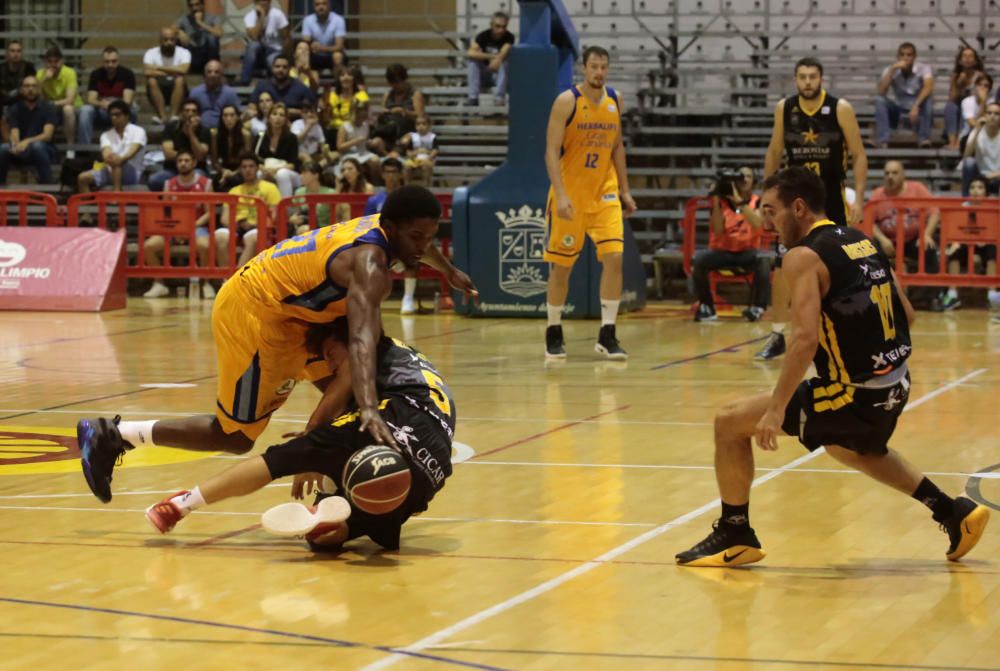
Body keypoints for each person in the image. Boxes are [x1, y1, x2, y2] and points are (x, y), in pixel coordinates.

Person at [76, 184, 477, 505]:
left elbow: (421, 248)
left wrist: (450, 271)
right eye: (416, 237)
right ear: (390, 227)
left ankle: (334, 493)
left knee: (350, 409)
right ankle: (115, 434)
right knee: (234, 437)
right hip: (256, 311)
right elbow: (360, 341)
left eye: (430, 237)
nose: (423, 246)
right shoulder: (369, 264)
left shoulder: (390, 229)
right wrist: (370, 408)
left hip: (298, 317)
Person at [674, 166, 990, 568]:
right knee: (851, 447)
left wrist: (775, 409)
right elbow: (907, 314)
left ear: (799, 207)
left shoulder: (803, 256)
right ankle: (953, 512)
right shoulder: (860, 239)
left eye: (772, 210)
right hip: (895, 383)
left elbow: (804, 340)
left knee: (729, 422)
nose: (767, 222)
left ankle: (734, 532)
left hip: (853, 391)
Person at [144, 316, 455, 553]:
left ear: (349, 339)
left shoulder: (366, 345)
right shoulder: (401, 355)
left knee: (288, 456)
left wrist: (311, 439)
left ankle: (182, 504)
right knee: (326, 541)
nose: (330, 364)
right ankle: (332, 513)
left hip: (404, 420)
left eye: (330, 353)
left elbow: (341, 386)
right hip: (433, 470)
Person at [757, 56, 868, 360]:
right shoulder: (785, 108)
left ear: (821, 79)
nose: (807, 82)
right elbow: (775, 150)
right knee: (783, 265)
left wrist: (858, 197)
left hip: (830, 197)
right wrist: (767, 197)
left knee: (837, 265)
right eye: (802, 77)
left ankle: (842, 332)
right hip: (794, 201)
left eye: (812, 77)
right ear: (795, 79)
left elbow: (858, 154)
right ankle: (778, 334)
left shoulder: (840, 108)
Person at [543, 45, 637, 360]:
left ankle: (607, 333)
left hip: (605, 193)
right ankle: (553, 329)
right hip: (570, 195)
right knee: (562, 268)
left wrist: (625, 189)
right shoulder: (566, 102)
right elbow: (550, 152)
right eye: (594, 66)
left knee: (614, 257)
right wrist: (561, 194)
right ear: (583, 68)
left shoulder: (615, 100)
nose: (599, 72)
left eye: (603, 67)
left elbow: (617, 147)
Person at [867, 160, 949, 311]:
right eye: (887, 173)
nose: (890, 177)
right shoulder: (878, 194)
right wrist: (882, 239)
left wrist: (926, 234)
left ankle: (930, 298)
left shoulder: (917, 188)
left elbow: (935, 212)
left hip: (913, 240)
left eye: (894, 173)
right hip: (889, 243)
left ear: (903, 175)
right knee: (870, 252)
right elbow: (869, 221)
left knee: (930, 251)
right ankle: (877, 297)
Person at [693, 167, 771, 322]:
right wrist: (715, 200)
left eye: (748, 176)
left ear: (754, 182)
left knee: (763, 259)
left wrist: (740, 202)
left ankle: (758, 307)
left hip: (747, 252)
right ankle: (707, 307)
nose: (744, 180)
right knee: (699, 259)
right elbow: (718, 230)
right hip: (724, 252)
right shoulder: (722, 202)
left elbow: (757, 224)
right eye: (741, 176)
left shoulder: (758, 201)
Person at [142, 149, 223, 299]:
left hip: (197, 227)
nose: (183, 164)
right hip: (174, 228)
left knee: (205, 246)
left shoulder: (206, 183)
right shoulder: (169, 184)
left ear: (193, 163)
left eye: (186, 161)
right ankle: (159, 284)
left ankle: (206, 283)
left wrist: (190, 227)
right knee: (148, 246)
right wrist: (177, 228)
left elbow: (209, 213)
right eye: (180, 161)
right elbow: (165, 212)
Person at [363, 157, 413, 313]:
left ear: (400, 175)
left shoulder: (408, 198)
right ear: (382, 175)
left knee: (414, 254)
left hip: (402, 243)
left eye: (394, 172)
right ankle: (371, 298)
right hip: (381, 243)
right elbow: (368, 226)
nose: (390, 176)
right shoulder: (374, 200)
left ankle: (408, 298)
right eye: (387, 172)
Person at [223, 152, 283, 266]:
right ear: (240, 170)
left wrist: (256, 224)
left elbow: (274, 215)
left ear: (257, 168)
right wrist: (238, 224)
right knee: (219, 236)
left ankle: (237, 279)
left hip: (260, 228)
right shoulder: (234, 191)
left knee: (254, 237)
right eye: (244, 167)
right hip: (237, 228)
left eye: (251, 166)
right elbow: (224, 218)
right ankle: (225, 279)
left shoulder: (270, 188)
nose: (248, 170)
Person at [77, 99, 147, 194]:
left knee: (118, 163)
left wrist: (119, 159)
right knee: (83, 178)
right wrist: (113, 158)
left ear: (126, 116)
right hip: (109, 170)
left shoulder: (138, 131)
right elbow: (106, 155)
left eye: (117, 115)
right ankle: (88, 204)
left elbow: (132, 152)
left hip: (132, 172)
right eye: (111, 115)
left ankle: (116, 194)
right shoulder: (105, 135)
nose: (114, 118)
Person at [874, 42, 934, 148]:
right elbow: (882, 92)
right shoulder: (891, 69)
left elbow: (928, 87)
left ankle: (924, 139)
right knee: (879, 100)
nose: (905, 58)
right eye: (902, 55)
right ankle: (883, 140)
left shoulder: (924, 68)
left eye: (909, 55)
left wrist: (916, 106)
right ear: (897, 57)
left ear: (914, 57)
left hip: (918, 109)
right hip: (899, 109)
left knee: (928, 100)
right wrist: (892, 70)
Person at [0, 75, 58, 183]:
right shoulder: (14, 109)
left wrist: (27, 141)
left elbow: (47, 135)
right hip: (22, 150)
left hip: (45, 149)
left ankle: (48, 187)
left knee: (37, 146)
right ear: (21, 90)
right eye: (27, 86)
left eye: (34, 86)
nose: (30, 89)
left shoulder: (48, 108)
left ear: (39, 90)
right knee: (3, 148)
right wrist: (15, 145)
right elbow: (14, 131)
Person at [78, 46, 138, 145]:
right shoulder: (96, 74)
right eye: (107, 61)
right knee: (85, 110)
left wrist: (112, 105)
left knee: (133, 109)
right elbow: (91, 99)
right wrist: (101, 104)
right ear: (103, 62)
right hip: (102, 110)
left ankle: (131, 143)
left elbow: (127, 101)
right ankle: (84, 148)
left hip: (121, 110)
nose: (110, 64)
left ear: (118, 61)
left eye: (113, 61)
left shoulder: (127, 74)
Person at [148, 97, 211, 192]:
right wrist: (186, 160)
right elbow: (168, 154)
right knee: (154, 181)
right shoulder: (171, 127)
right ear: (181, 113)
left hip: (196, 170)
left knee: (201, 179)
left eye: (194, 111)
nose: (190, 114)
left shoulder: (204, 131)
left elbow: (200, 156)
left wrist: (191, 133)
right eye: (187, 110)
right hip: (173, 170)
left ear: (199, 114)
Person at [143, 27, 192, 124]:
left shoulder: (184, 52)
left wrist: (157, 67)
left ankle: (174, 116)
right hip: (158, 86)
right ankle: (162, 117)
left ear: (175, 40)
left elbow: (184, 70)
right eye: (166, 40)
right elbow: (147, 72)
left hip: (178, 87)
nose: (169, 42)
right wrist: (174, 71)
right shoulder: (150, 53)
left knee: (180, 79)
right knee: (151, 80)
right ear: (160, 41)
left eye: (172, 39)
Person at [35, 45, 81, 149]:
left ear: (62, 61)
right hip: (50, 108)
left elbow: (70, 100)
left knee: (67, 109)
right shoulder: (40, 74)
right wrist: (44, 79)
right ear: (45, 62)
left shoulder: (69, 73)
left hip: (73, 107)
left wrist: (51, 104)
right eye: (49, 61)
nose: (53, 65)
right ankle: (42, 146)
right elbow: (34, 95)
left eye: (56, 61)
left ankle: (70, 146)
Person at [465, 11, 514, 106]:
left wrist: (498, 60)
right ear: (491, 25)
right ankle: (473, 97)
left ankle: (499, 98)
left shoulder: (509, 37)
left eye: (504, 27)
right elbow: (470, 53)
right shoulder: (483, 36)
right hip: (485, 74)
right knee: (472, 62)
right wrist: (493, 57)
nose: (501, 30)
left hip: (499, 76)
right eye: (498, 26)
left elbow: (504, 51)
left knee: (505, 62)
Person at [254, 102, 302, 197]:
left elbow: (292, 165)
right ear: (269, 117)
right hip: (266, 170)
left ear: (285, 119)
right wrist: (265, 170)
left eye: (281, 115)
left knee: (282, 174)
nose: (277, 118)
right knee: (258, 174)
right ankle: (260, 208)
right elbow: (254, 160)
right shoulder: (260, 137)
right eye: (274, 114)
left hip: (288, 172)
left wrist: (274, 170)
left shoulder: (292, 138)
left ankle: (285, 208)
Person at [240, 0, 290, 86]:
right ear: (255, 3)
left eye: (265, 0)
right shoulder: (250, 16)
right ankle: (244, 81)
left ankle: (277, 85)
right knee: (253, 45)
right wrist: (261, 18)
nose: (263, 3)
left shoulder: (278, 15)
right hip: (258, 53)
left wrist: (287, 58)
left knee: (273, 62)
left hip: (274, 50)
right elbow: (254, 37)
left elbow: (286, 38)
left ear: (270, 2)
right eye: (259, 1)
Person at [251, 54, 316, 120]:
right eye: (277, 66)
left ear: (290, 69)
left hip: (294, 126)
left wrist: (293, 112)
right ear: (272, 68)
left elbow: (312, 109)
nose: (280, 70)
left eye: (284, 67)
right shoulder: (262, 86)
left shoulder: (299, 87)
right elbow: (252, 107)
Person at [945, 46, 985, 150]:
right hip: (957, 104)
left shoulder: (980, 76)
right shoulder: (955, 76)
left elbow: (980, 97)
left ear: (975, 61)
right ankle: (952, 141)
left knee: (966, 106)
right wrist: (958, 84)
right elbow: (952, 98)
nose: (967, 59)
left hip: (973, 107)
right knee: (950, 107)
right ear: (960, 60)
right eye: (964, 56)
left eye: (970, 56)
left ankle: (960, 140)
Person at [960, 101, 1000, 195]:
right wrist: (977, 129)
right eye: (989, 113)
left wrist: (990, 176)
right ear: (985, 115)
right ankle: (967, 203)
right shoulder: (977, 131)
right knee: (969, 163)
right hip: (980, 176)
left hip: (997, 176)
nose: (992, 116)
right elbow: (966, 156)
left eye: (996, 114)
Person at [188, 59, 240, 129]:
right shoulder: (195, 92)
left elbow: (236, 115)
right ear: (204, 75)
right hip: (199, 130)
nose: (212, 75)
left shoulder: (230, 93)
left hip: (223, 131)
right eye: (209, 72)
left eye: (216, 72)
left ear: (221, 75)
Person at [210, 103, 251, 191]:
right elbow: (214, 162)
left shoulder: (245, 135)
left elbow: (249, 160)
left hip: (241, 169)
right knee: (217, 181)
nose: (229, 119)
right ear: (221, 118)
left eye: (232, 115)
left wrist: (233, 173)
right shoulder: (215, 135)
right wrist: (224, 171)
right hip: (223, 168)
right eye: (225, 115)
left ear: (237, 117)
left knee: (234, 180)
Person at [176, 0, 222, 75]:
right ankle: (179, 72)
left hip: (207, 54)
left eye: (197, 5)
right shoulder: (185, 19)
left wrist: (200, 23)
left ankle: (212, 68)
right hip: (191, 53)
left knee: (212, 38)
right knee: (176, 38)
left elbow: (219, 33)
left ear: (203, 5)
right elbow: (170, 30)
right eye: (191, 6)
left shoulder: (213, 18)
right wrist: (179, 32)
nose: (194, 8)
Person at [288, 162, 336, 234]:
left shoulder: (331, 193)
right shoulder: (299, 192)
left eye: (305, 173)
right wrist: (294, 218)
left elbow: (338, 216)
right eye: (301, 173)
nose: (301, 176)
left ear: (316, 175)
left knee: (305, 230)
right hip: (303, 227)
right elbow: (296, 212)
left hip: (325, 229)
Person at [301, 0, 346, 72]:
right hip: (315, 56)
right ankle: (304, 82)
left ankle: (338, 82)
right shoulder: (308, 20)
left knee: (337, 56)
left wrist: (322, 48)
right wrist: (311, 45)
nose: (320, 7)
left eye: (324, 4)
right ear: (314, 6)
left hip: (332, 55)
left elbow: (339, 46)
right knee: (302, 48)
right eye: (317, 4)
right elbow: (306, 42)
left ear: (329, 5)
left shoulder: (338, 20)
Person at [401, 114, 437, 186]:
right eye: (418, 124)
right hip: (414, 159)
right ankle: (407, 185)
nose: (420, 126)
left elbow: (435, 150)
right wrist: (411, 155)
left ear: (429, 126)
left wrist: (429, 158)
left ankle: (426, 185)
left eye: (424, 124)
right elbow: (408, 150)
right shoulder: (413, 137)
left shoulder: (432, 137)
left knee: (425, 167)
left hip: (427, 158)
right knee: (406, 167)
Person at [1, 40, 34, 113]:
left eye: (18, 51)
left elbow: (31, 87)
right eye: (12, 51)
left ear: (22, 53)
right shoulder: (1, 68)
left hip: (22, 102)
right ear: (7, 53)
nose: (16, 54)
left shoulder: (29, 67)